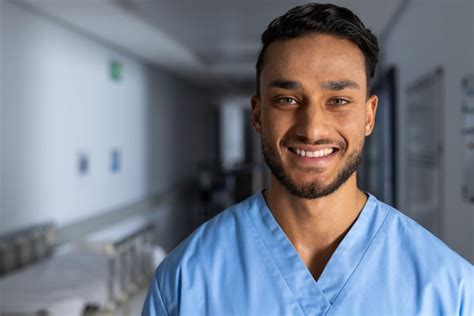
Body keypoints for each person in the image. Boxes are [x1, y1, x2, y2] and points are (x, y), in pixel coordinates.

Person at [142, 3, 473, 315]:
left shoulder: (450, 289)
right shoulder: (185, 282)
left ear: (369, 116)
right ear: (257, 115)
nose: (312, 129)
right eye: (287, 99)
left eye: (339, 100)